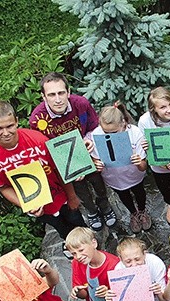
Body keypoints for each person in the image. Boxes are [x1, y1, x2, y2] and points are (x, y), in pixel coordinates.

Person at [0, 101, 86, 258]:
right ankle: (68, 242)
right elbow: (2, 187)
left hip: (61, 196)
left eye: (9, 126)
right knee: (57, 224)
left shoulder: (37, 139)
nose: (5, 132)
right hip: (37, 204)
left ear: (16, 121)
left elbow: (59, 169)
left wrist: (72, 196)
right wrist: (26, 205)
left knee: (75, 217)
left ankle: (85, 240)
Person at [29, 72, 115, 231]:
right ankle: (91, 210)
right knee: (80, 188)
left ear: (68, 92)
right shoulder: (37, 118)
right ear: (43, 96)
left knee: (98, 182)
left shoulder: (81, 104)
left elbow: (94, 127)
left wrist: (88, 141)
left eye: (61, 93)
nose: (58, 99)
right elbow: (45, 148)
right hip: (65, 161)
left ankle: (104, 204)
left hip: (88, 152)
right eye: (51, 94)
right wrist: (71, 166)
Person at [89, 102, 151, 234]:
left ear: (123, 123)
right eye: (106, 132)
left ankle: (142, 211)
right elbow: (95, 158)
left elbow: (144, 166)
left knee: (140, 193)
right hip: (113, 178)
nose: (110, 136)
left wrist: (139, 162)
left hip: (134, 175)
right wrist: (96, 164)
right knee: (123, 195)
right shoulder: (96, 134)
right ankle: (133, 213)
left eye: (114, 132)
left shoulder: (135, 132)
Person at [66, 227, 127, 301]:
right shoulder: (77, 264)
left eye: (81, 250)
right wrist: (78, 291)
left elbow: (125, 293)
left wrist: (109, 290)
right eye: (73, 253)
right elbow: (84, 294)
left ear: (94, 243)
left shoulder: (114, 264)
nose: (78, 256)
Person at [138, 87, 170, 225]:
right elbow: (145, 144)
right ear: (153, 109)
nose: (169, 110)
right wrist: (162, 162)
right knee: (165, 187)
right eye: (162, 107)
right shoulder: (145, 121)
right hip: (160, 166)